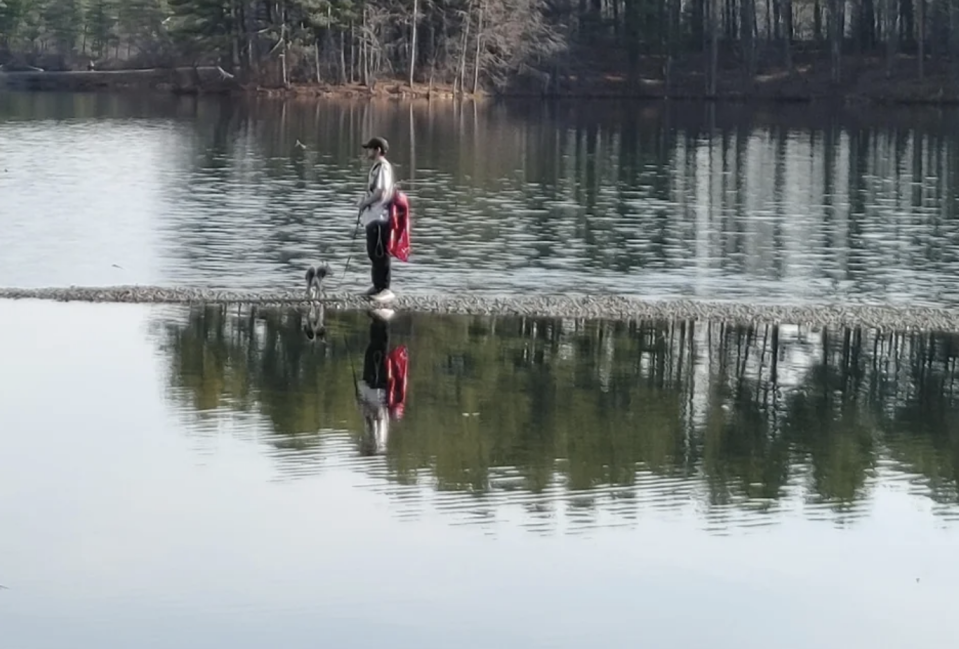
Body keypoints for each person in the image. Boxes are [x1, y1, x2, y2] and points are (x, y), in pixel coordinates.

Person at [357, 136, 396, 304]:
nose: (367, 151)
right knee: (373, 252)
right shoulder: (377, 167)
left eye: (370, 148)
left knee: (381, 252)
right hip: (373, 216)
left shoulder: (383, 168)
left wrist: (365, 202)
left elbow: (381, 192)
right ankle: (377, 285)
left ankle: (385, 288)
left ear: (377, 150)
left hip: (381, 217)